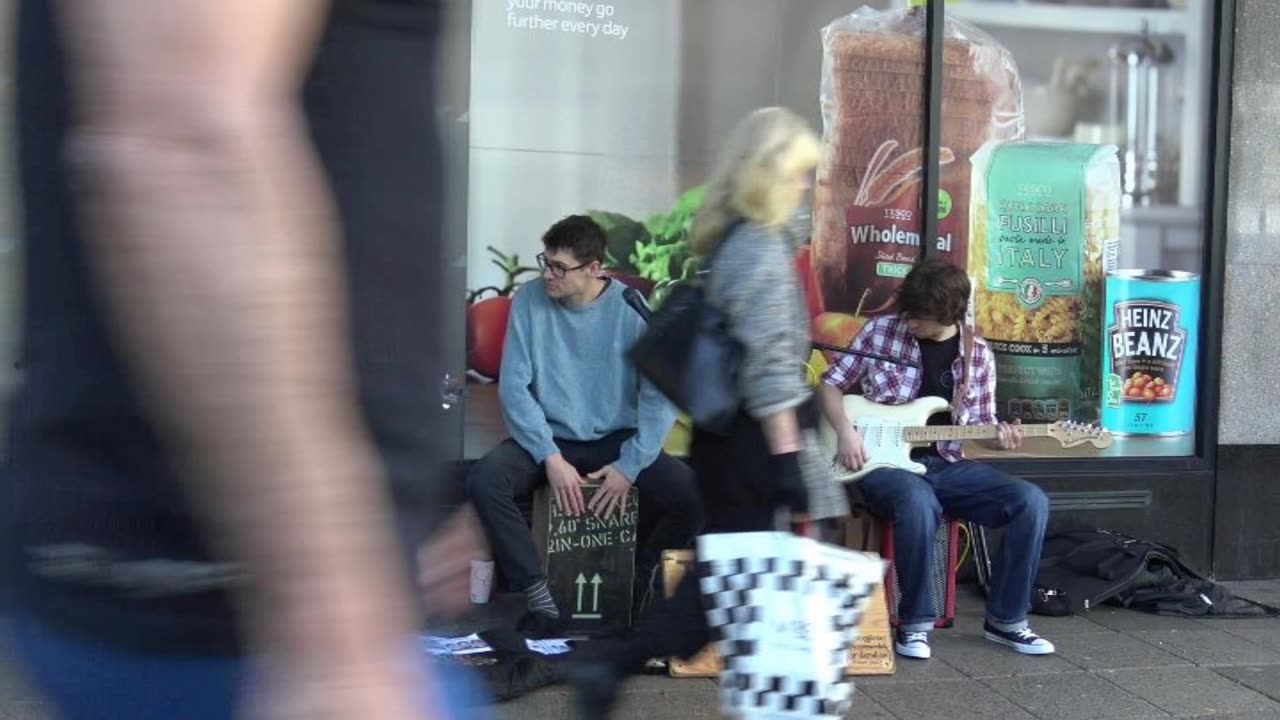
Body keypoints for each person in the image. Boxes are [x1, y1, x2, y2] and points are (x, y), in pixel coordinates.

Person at [4, 0, 487, 717]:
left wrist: (388, 513)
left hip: (270, 589)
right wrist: (330, 616)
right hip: (241, 605)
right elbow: (181, 143)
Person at [569, 106, 847, 719]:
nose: (807, 186)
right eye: (800, 173)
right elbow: (771, 370)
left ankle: (617, 665)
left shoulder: (730, 240)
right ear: (772, 174)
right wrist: (786, 465)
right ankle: (616, 662)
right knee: (739, 590)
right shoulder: (759, 250)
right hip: (754, 447)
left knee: (730, 584)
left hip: (725, 445)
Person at [466, 215, 702, 632]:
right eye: (546, 262)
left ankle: (638, 590)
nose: (548, 274)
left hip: (615, 438)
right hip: (549, 435)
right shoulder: (529, 299)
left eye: (560, 267)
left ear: (595, 268)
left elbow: (658, 395)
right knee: (486, 479)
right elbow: (515, 388)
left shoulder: (630, 309)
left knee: (690, 495)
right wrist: (549, 457)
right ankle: (538, 593)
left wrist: (630, 465)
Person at [818, 259, 1054, 660]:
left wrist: (1002, 439)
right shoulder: (880, 331)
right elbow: (830, 385)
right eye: (906, 312)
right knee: (916, 501)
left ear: (949, 314)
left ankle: (1007, 620)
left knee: (1030, 502)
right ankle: (914, 624)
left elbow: (980, 427)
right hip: (880, 463)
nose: (909, 321)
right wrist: (844, 431)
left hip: (945, 463)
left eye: (920, 317)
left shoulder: (977, 355)